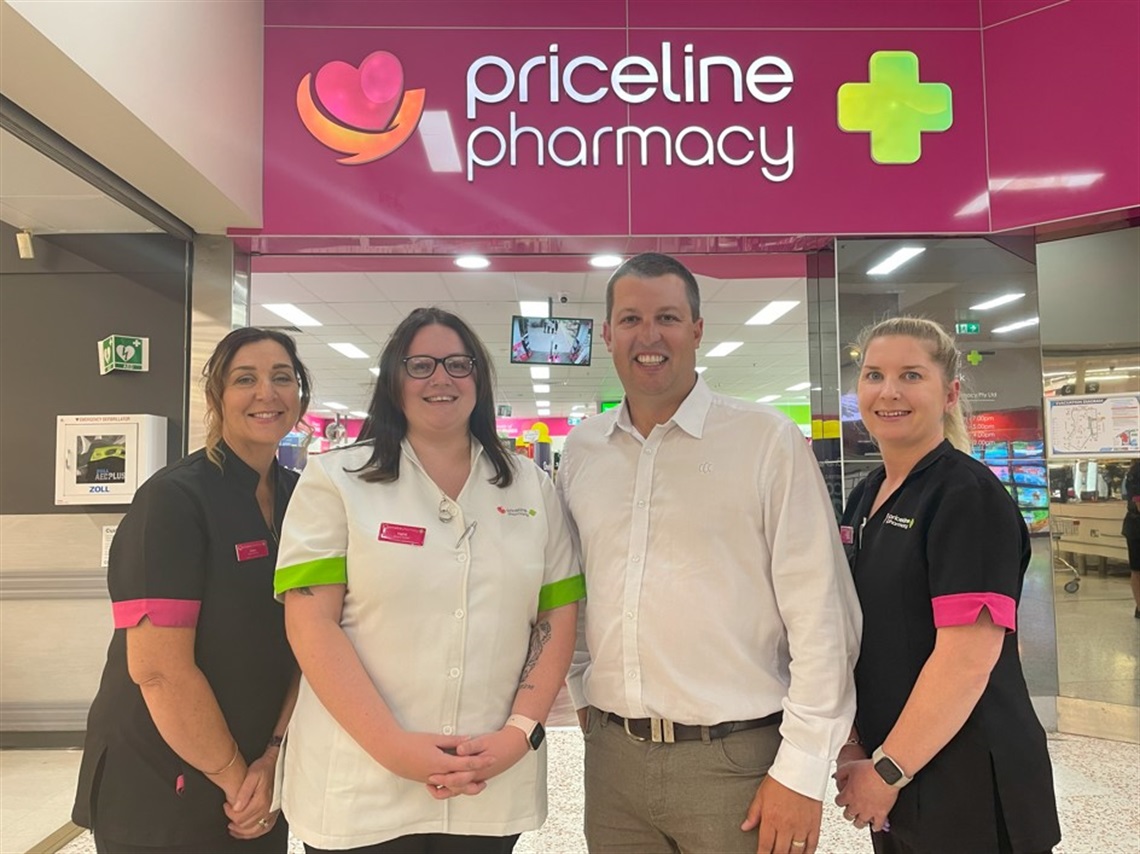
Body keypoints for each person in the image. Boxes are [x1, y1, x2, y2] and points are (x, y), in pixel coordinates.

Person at [557, 252, 862, 854]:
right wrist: (582, 693)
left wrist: (801, 770)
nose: (649, 337)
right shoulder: (583, 450)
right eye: (630, 319)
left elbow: (822, 615)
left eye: (668, 317)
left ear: (697, 330)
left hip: (739, 761)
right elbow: (576, 588)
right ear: (607, 334)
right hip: (614, 762)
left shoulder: (765, 441)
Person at [274, 306, 583, 854]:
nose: (441, 378)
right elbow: (311, 624)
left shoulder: (530, 487)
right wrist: (392, 747)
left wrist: (520, 732)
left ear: (479, 381)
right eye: (420, 365)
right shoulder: (336, 480)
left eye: (458, 364)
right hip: (361, 782)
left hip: (487, 776)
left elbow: (556, 617)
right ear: (394, 380)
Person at [72, 327, 313, 853]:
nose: (266, 393)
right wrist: (236, 780)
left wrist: (273, 757)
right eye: (244, 378)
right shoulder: (174, 500)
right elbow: (159, 669)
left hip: (261, 771)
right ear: (216, 397)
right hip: (163, 777)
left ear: (301, 395)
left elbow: (311, 642)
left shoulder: (305, 500)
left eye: (282, 377)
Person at [834, 317, 1061, 854]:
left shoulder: (966, 496)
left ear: (950, 392)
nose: (888, 392)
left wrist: (887, 770)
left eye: (911, 375)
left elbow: (967, 659)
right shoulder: (867, 494)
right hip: (902, 768)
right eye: (873, 375)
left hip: (969, 776)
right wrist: (854, 745)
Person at [1123, 458, 1140, 618]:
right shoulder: (1136, 472)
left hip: (1134, 525)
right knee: (1137, 570)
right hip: (1136, 526)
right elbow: (1138, 501)